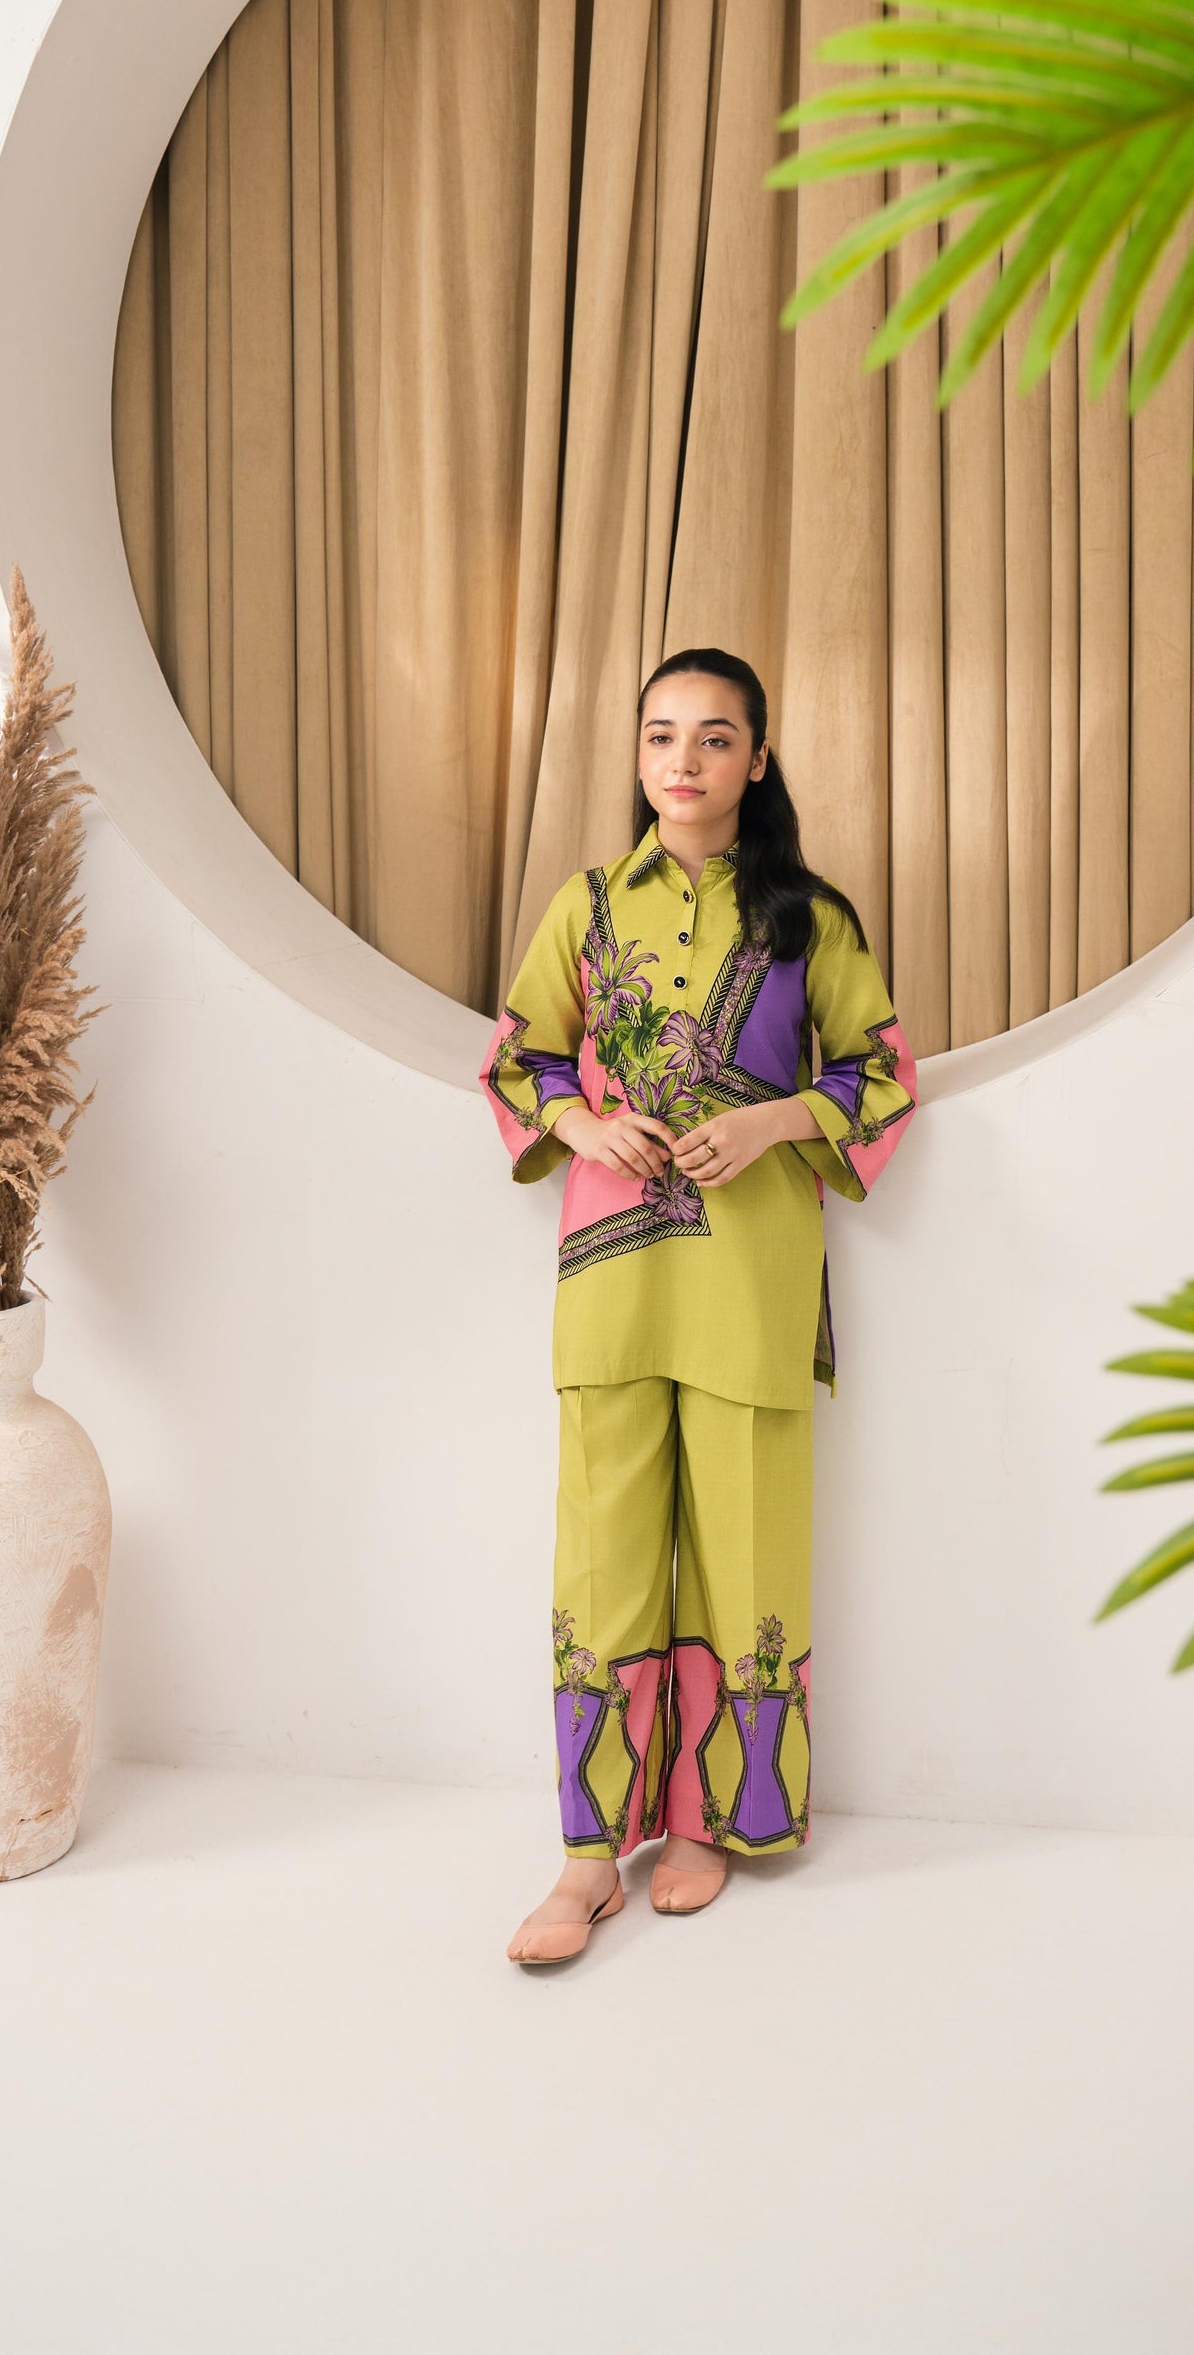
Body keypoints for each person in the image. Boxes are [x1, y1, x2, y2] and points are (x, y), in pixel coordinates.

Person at [481, 648, 917, 1968]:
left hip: (750, 1273)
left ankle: (712, 1822)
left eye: (715, 736)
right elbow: (518, 1058)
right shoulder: (585, 906)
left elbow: (881, 1072)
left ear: (757, 760)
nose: (685, 759)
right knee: (601, 1551)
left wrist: (775, 1120)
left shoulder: (807, 919)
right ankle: (584, 1857)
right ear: (636, 757)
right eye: (662, 734)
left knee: (746, 1543)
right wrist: (582, 1122)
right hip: (610, 1274)